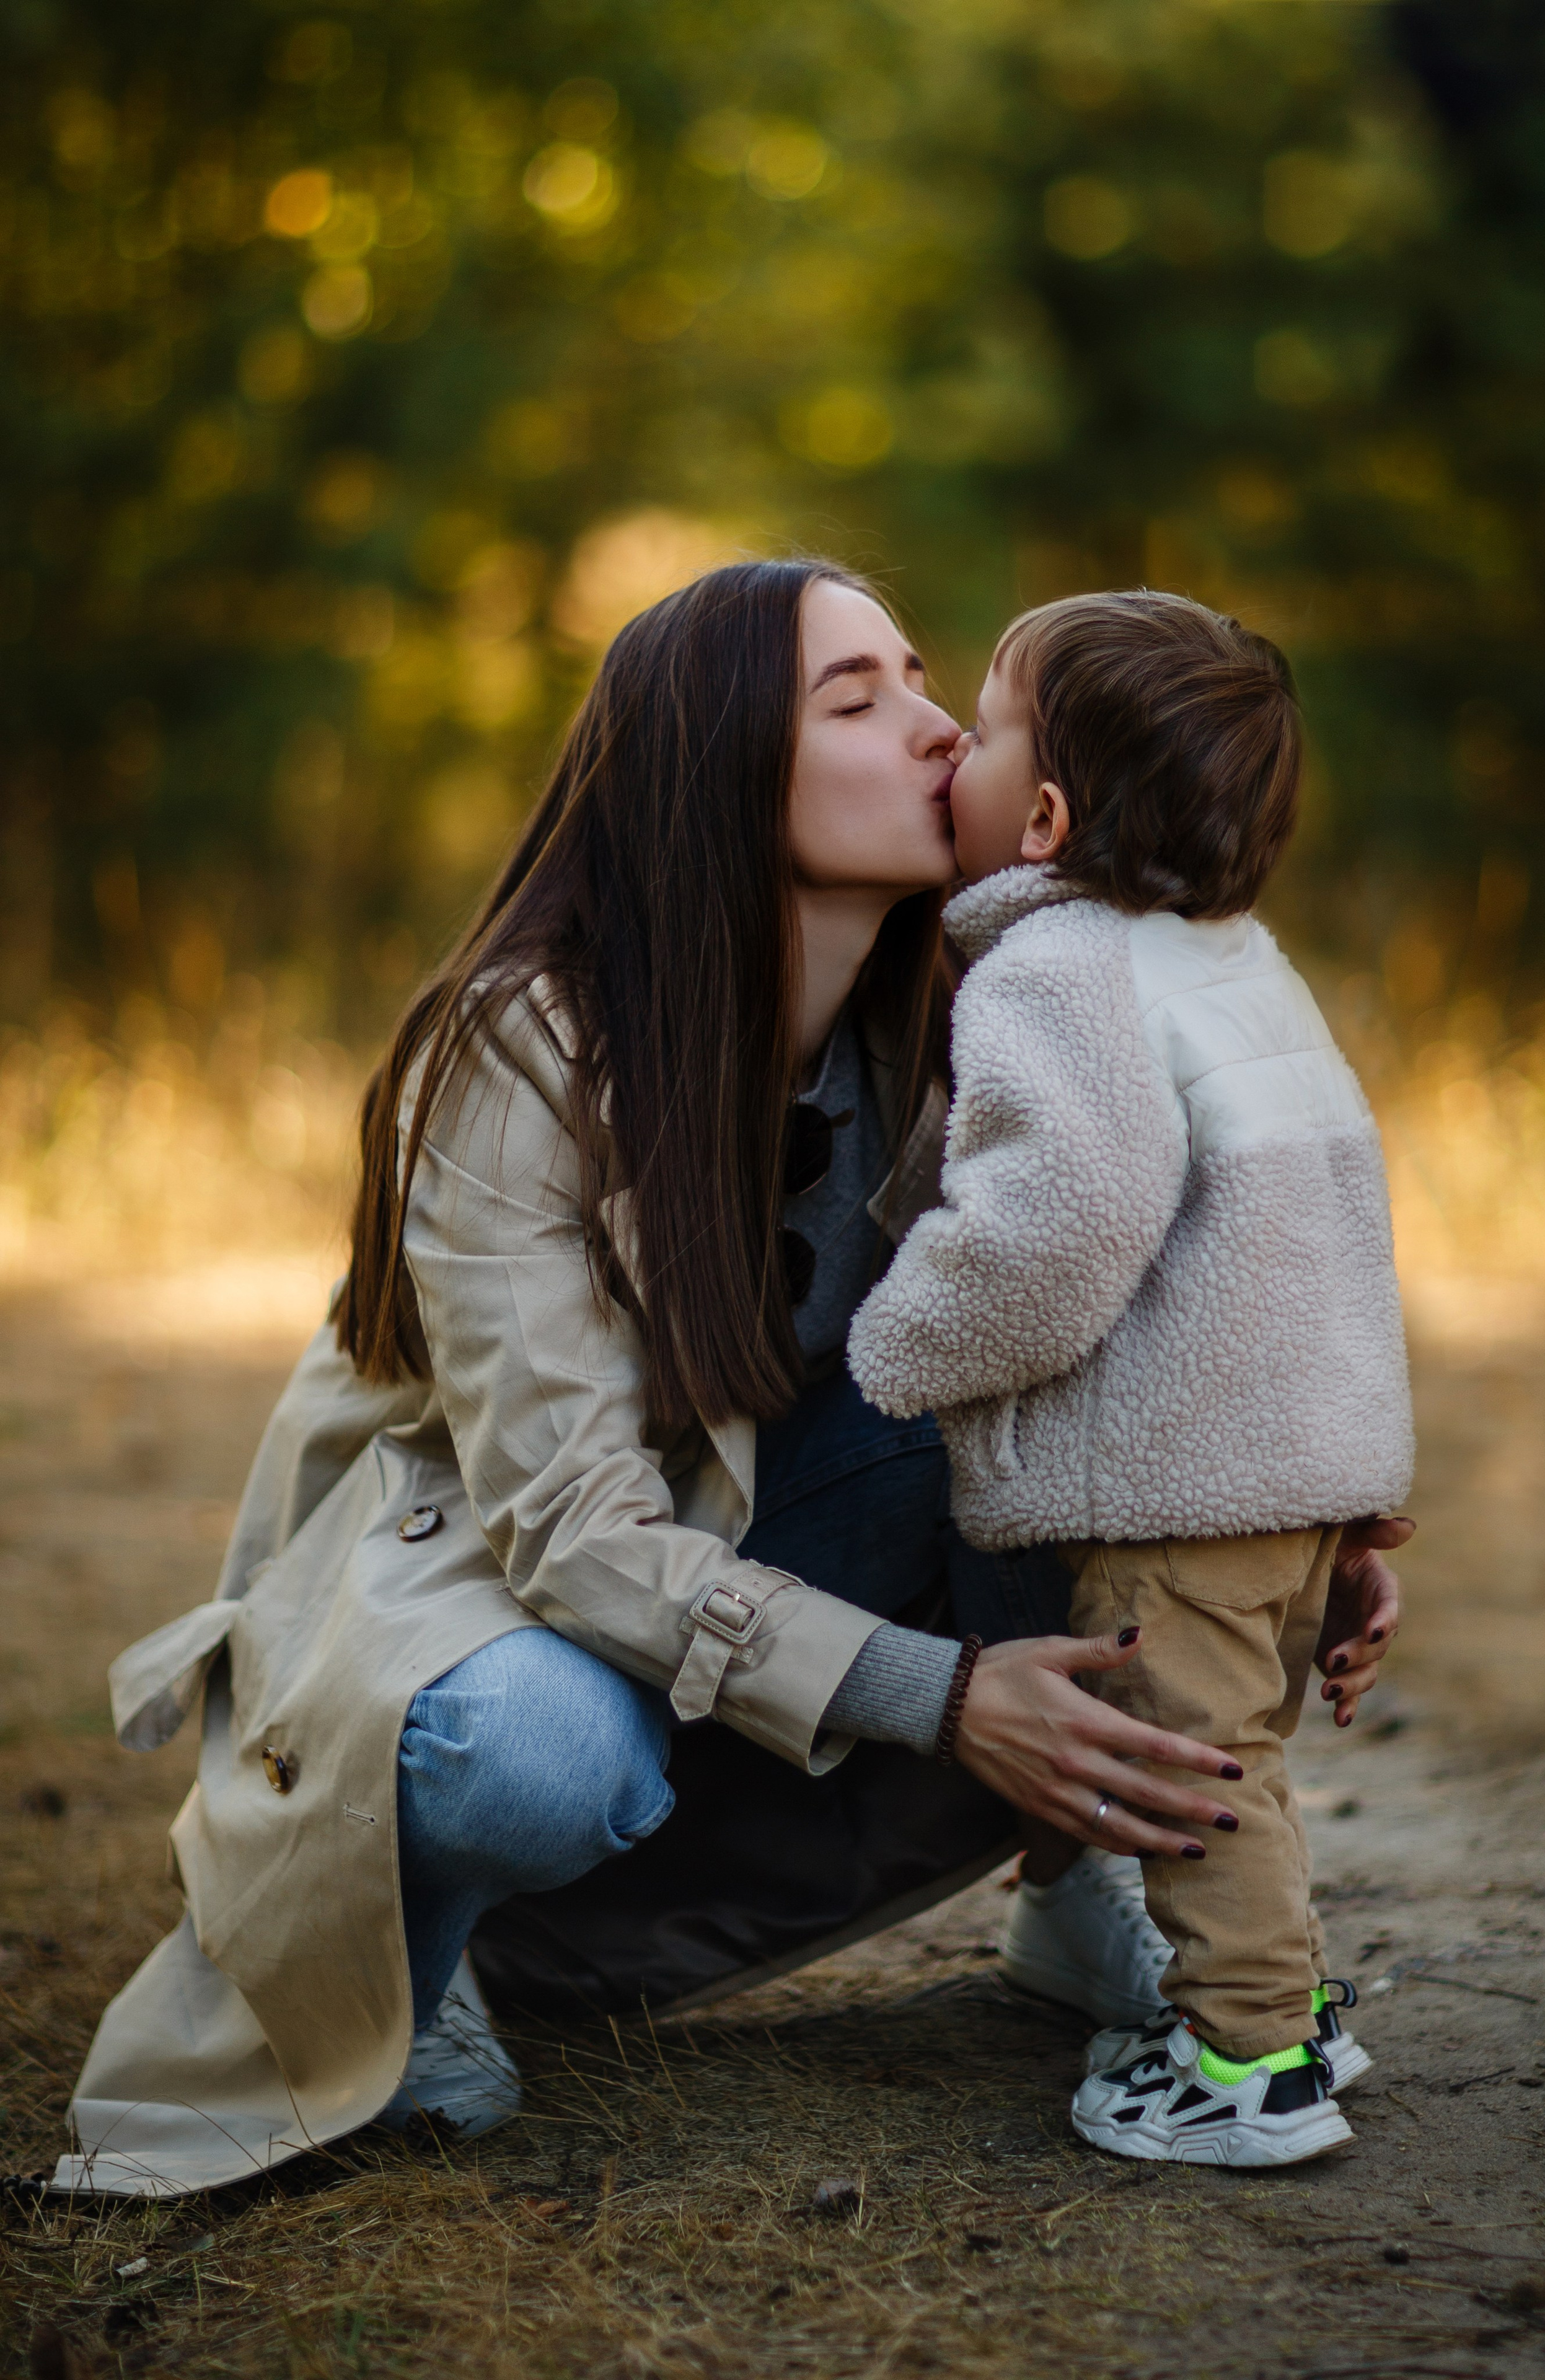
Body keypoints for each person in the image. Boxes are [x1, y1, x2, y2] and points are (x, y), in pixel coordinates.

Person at [53, 563, 1406, 2199]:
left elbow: (1187, 1266)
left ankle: (1089, 1884)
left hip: (758, 1543)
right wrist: (947, 1695)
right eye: (862, 701)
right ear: (720, 775)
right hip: (491, 1594)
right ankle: (413, 1964)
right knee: (533, 1749)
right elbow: (564, 1526)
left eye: (932, 688)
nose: (929, 733)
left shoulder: (994, 993)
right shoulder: (523, 1045)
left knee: (1089, 1421)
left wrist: (1302, 1521)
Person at [848, 589, 1415, 2169]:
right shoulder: (1231, 964)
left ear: (1039, 819)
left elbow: (1056, 1223)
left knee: (1189, 1779)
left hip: (1181, 1476)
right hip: (1294, 1471)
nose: (946, 737)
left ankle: (1243, 2071)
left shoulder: (1056, 972)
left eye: (981, 713)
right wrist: (1360, 1504)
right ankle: (1284, 2008)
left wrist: (899, 1347)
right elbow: (1328, 1223)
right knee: (1243, 1758)